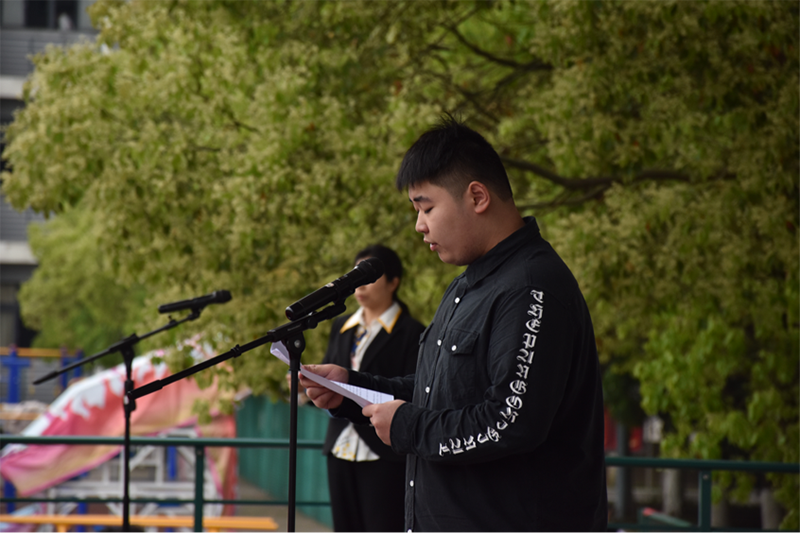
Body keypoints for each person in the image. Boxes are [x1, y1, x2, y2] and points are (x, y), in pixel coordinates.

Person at [300, 117, 608, 532]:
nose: (419, 224)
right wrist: (351, 390)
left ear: (477, 196)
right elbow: (437, 392)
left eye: (427, 207)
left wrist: (408, 427)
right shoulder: (466, 285)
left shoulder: (532, 286)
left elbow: (510, 422)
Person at [320, 244, 425, 533]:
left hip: (384, 451)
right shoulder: (341, 325)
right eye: (356, 276)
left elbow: (414, 390)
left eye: (369, 278)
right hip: (340, 445)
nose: (360, 286)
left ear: (393, 282)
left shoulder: (412, 332)